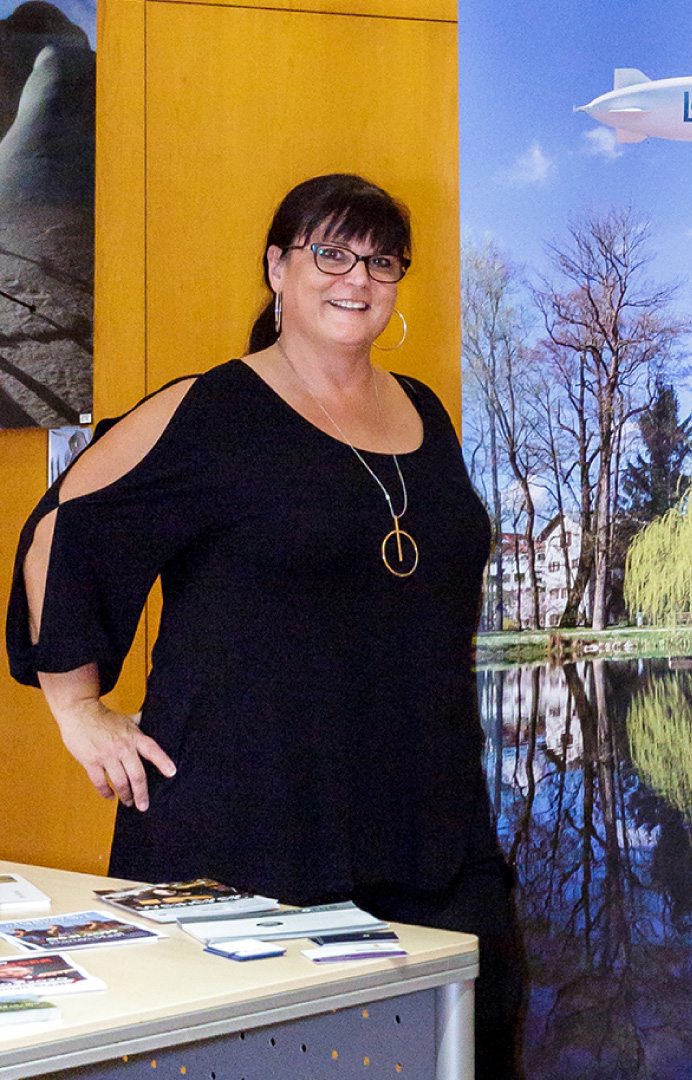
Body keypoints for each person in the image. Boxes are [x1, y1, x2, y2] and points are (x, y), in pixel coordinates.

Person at [7, 174, 526, 1077]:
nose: (357, 277)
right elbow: (66, 527)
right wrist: (77, 705)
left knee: (471, 1051)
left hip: (432, 833)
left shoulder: (428, 414)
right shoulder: (216, 409)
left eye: (381, 259)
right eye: (331, 252)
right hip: (249, 841)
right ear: (278, 269)